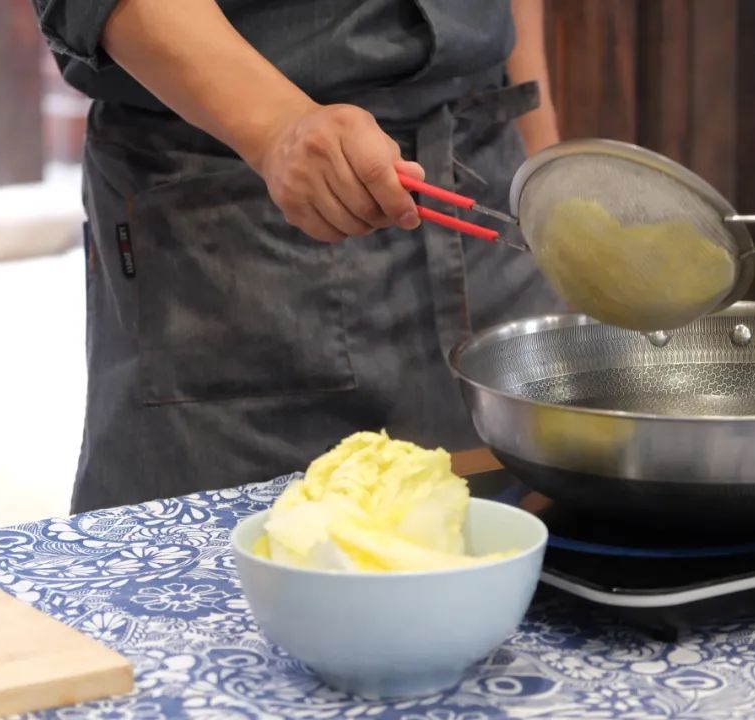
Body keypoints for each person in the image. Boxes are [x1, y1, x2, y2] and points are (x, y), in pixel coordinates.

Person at [30, 0, 565, 512]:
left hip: (489, 185)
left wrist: (547, 181)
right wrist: (276, 127)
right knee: (234, 557)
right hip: (231, 208)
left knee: (508, 546)